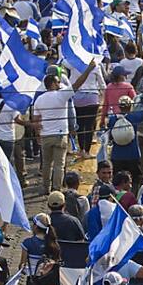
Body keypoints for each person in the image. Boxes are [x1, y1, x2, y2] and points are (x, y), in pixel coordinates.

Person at [33, 61, 97, 192]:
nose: (59, 84)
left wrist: (37, 134)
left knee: (46, 164)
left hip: (45, 136)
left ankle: (45, 188)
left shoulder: (39, 99)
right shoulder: (61, 95)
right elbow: (78, 84)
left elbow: (35, 120)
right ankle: (56, 189)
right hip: (60, 135)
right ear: (52, 84)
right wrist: (89, 69)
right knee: (59, 165)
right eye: (57, 82)